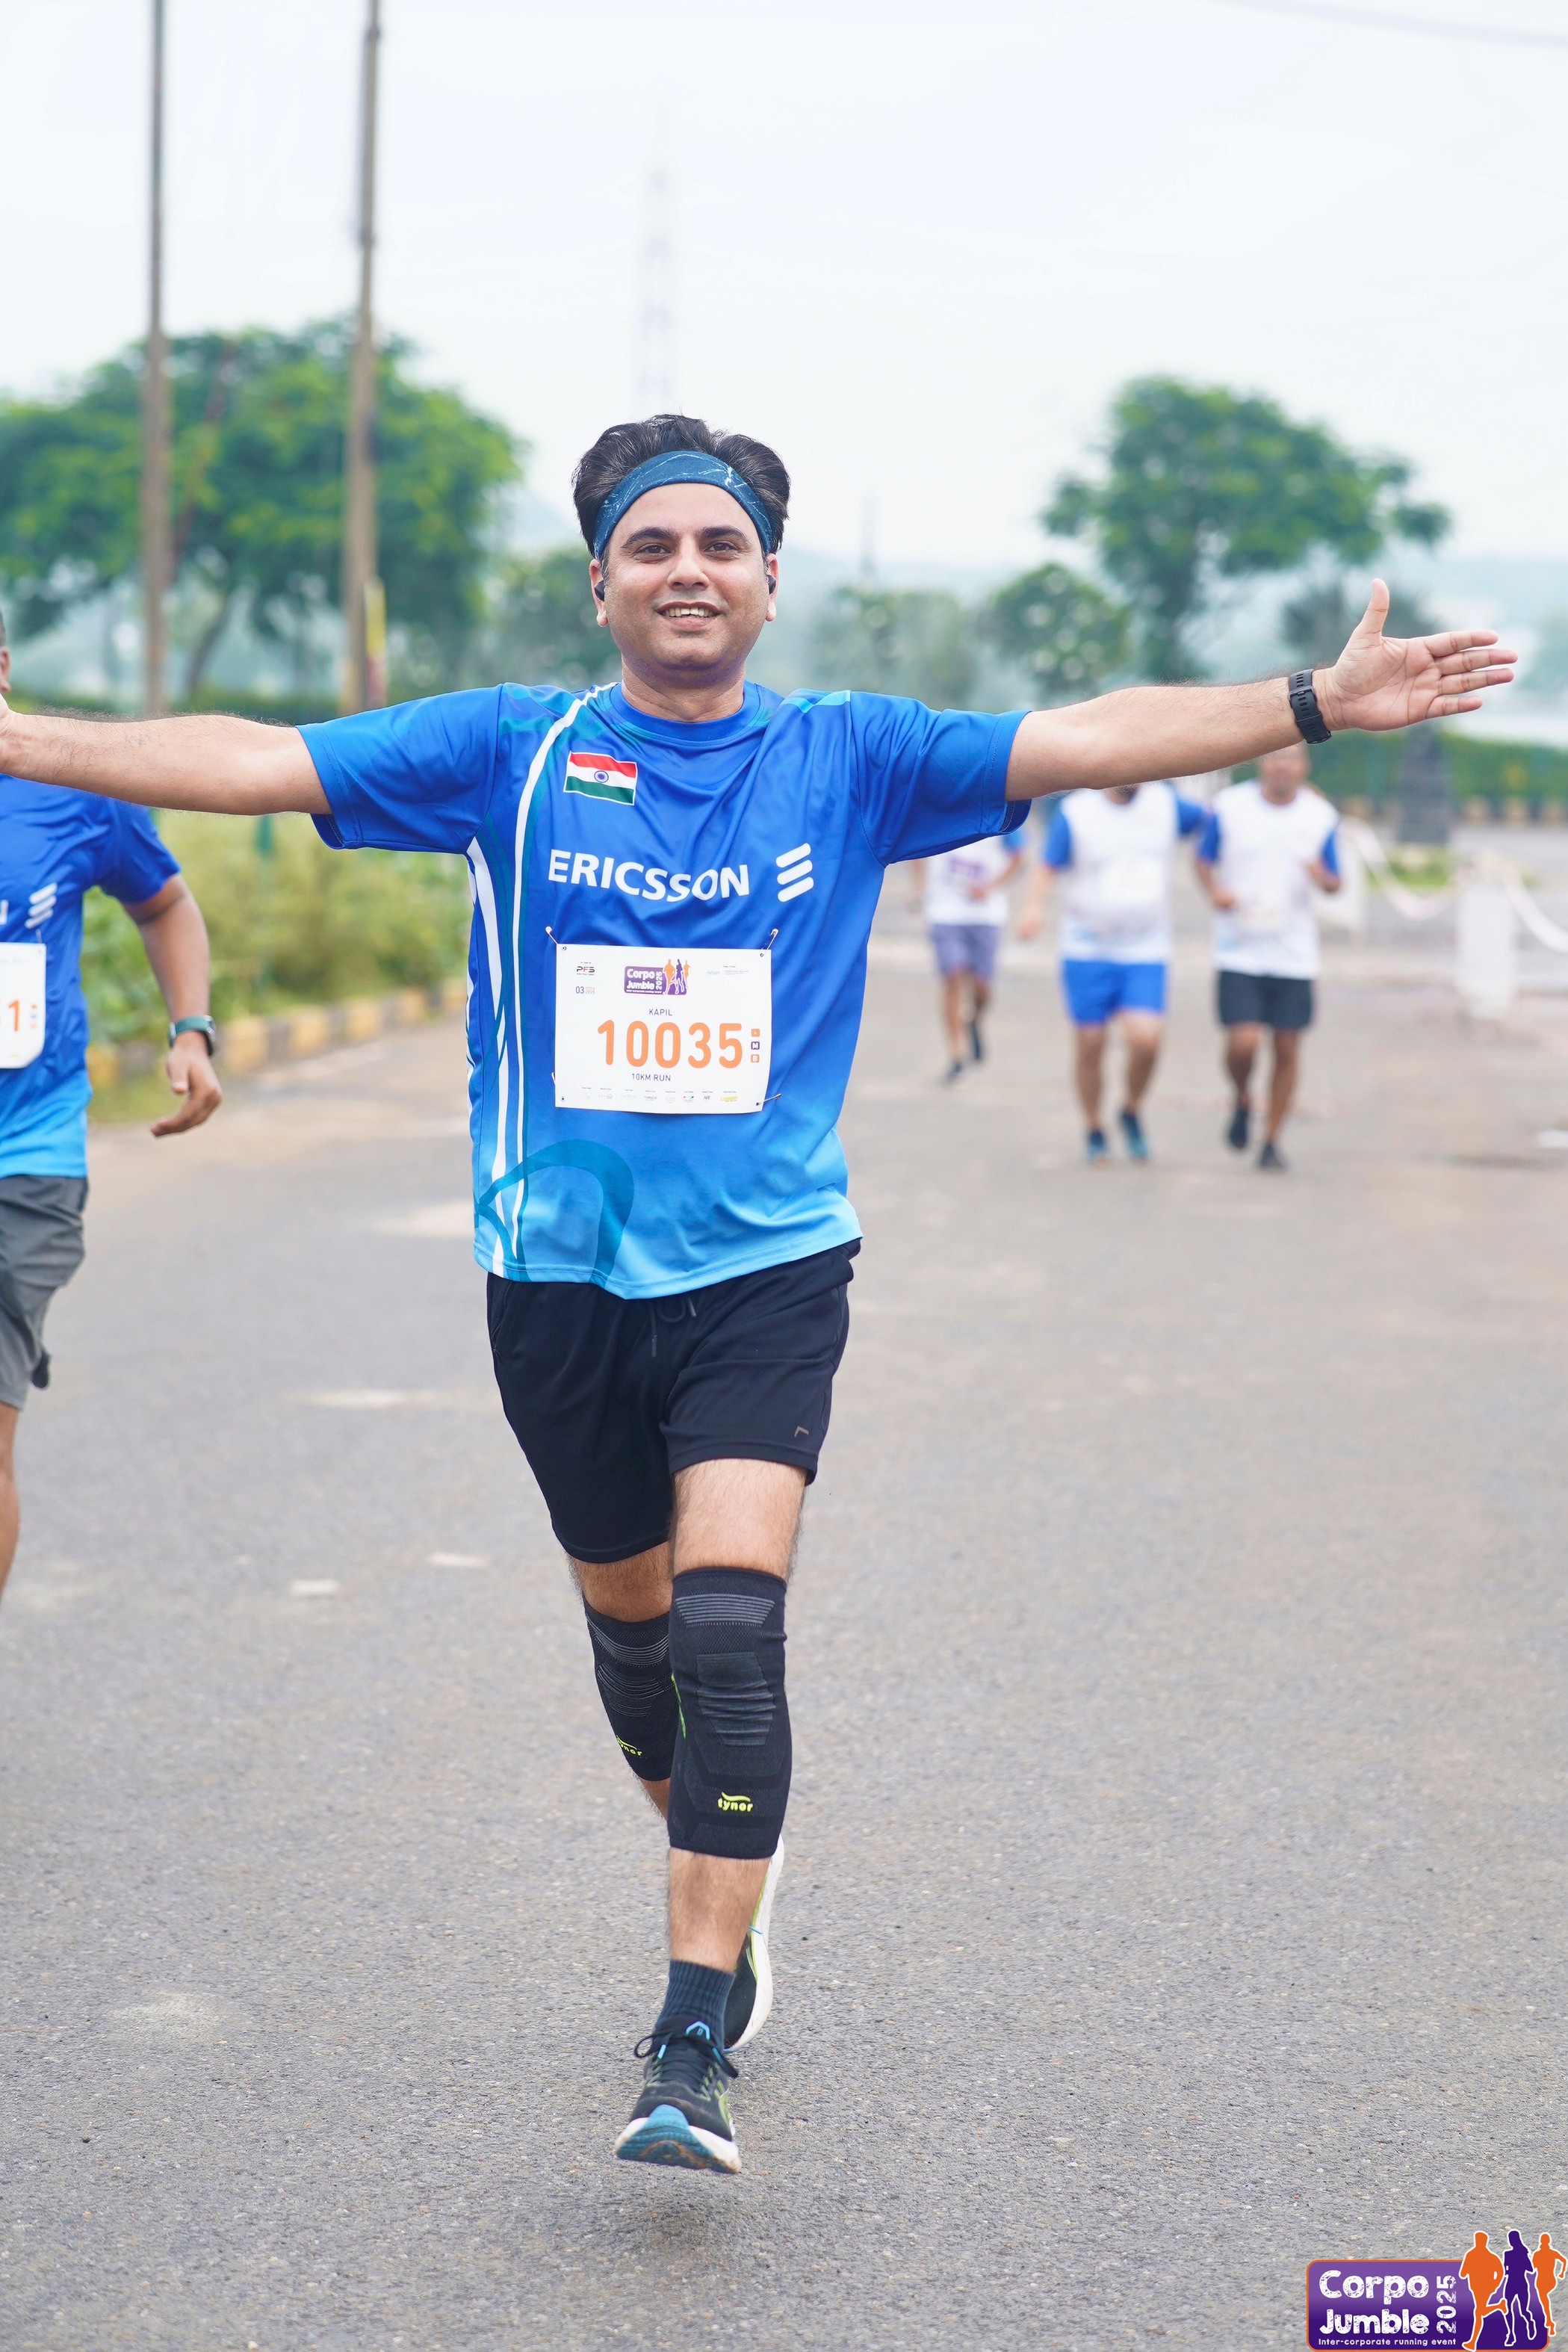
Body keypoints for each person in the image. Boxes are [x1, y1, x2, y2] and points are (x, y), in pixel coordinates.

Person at [0, 414, 1513, 2175]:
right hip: (554, 1278)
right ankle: (725, 1848)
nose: (686, 569)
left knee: (730, 1630)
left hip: (765, 1266)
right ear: (600, 582)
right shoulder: (506, 747)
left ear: (769, 581)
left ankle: (688, 2033)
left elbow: (1092, 732)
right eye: (651, 545)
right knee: (642, 1655)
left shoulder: (851, 755)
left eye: (718, 543)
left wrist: (1309, 704)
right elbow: (256, 758)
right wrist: (19, 736)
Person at [0, 611, 222, 1604]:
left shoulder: (71, 786)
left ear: (4, 667)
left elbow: (163, 901)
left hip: (24, 1153)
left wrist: (191, 1029)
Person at [1017, 779, 1206, 1161]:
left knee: (1146, 1041)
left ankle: (1131, 1109)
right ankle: (1093, 1127)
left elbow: (1215, 821)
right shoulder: (1077, 812)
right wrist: (1033, 908)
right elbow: (1048, 865)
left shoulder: (1166, 804)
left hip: (1145, 948)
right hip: (1088, 947)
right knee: (1091, 1041)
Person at [1195, 741, 1341, 1172]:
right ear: (1262, 761)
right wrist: (1215, 891)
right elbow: (1203, 859)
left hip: (1293, 950)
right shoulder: (1230, 807)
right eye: (1275, 758)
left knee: (1287, 1045)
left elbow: (1336, 881)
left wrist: (1322, 877)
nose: (1282, 766)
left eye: (1291, 759)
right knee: (1242, 1043)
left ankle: (1272, 1139)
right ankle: (1242, 1096)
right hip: (1239, 946)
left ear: (1304, 766)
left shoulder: (1319, 816)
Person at [914, 832, 1023, 1080]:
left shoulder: (1002, 813)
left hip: (986, 914)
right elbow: (918, 847)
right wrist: (919, 887)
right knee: (953, 977)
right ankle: (957, 1055)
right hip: (945, 910)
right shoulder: (940, 811)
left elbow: (1019, 856)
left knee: (982, 988)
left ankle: (973, 1019)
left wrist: (991, 887)